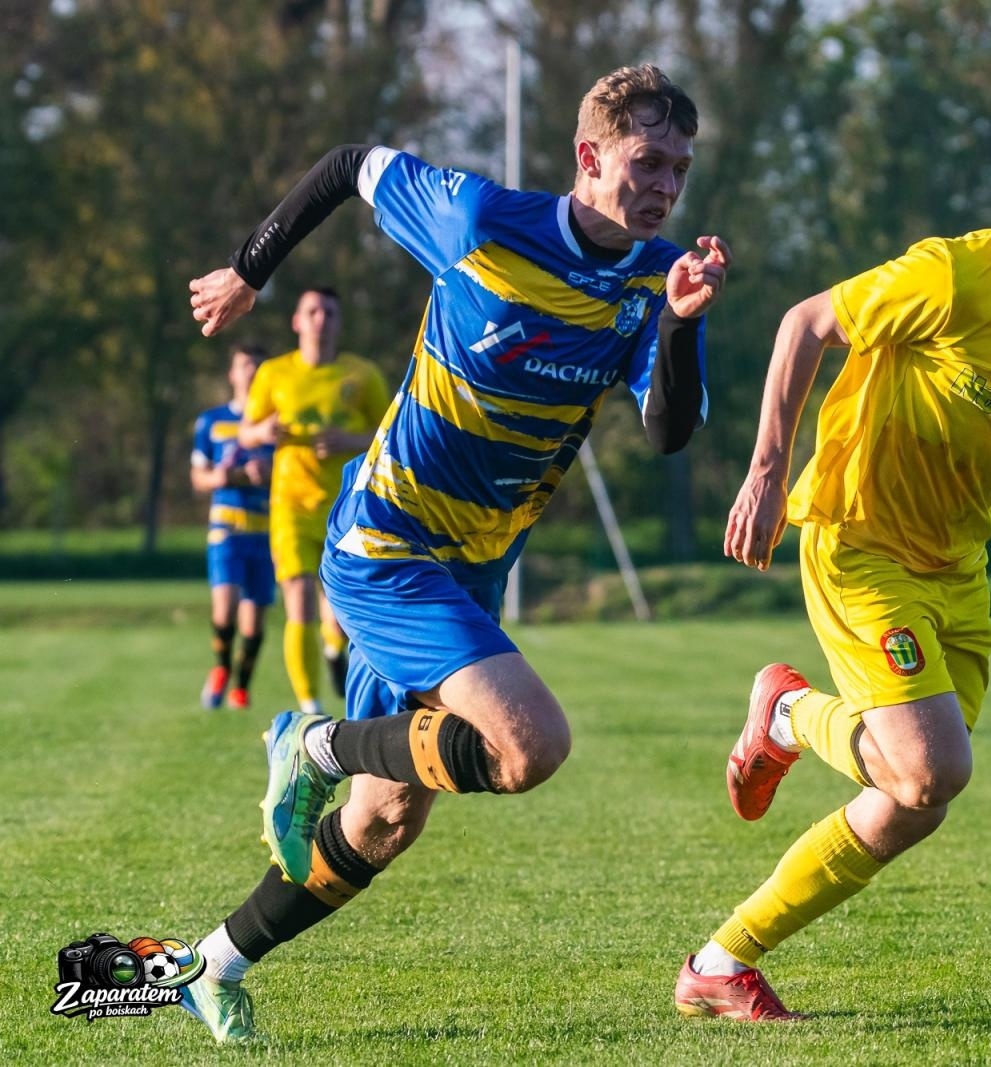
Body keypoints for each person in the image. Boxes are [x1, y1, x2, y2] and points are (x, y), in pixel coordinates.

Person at [177, 64, 725, 1043]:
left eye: (679, 168)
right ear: (590, 157)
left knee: (387, 816)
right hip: (385, 542)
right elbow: (351, 164)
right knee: (530, 746)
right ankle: (309, 744)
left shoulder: (657, 278)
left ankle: (212, 963)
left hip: (472, 569)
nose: (664, 186)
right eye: (647, 161)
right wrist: (248, 270)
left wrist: (680, 325)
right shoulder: (477, 220)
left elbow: (670, 431)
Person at [674, 99, 991, 1021]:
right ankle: (785, 712)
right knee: (932, 767)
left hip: (955, 566)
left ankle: (720, 957)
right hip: (857, 536)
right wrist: (768, 473)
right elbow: (805, 323)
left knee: (916, 797)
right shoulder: (953, 274)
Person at [237, 287, 388, 716]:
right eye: (312, 311)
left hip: (345, 506)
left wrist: (349, 440)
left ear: (339, 323)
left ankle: (333, 647)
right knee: (298, 596)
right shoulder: (274, 373)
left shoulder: (361, 376)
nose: (320, 319)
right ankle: (310, 704)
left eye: (329, 313)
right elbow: (246, 431)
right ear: (297, 321)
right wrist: (262, 434)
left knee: (339, 606)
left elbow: (390, 433)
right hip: (290, 506)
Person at [191, 342, 275, 711]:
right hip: (225, 530)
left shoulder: (275, 423)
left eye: (258, 366)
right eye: (245, 365)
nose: (252, 372)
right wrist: (223, 477)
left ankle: (242, 688)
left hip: (265, 530)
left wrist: (267, 474)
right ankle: (221, 668)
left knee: (254, 622)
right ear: (232, 373)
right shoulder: (212, 421)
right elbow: (199, 478)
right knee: (224, 610)